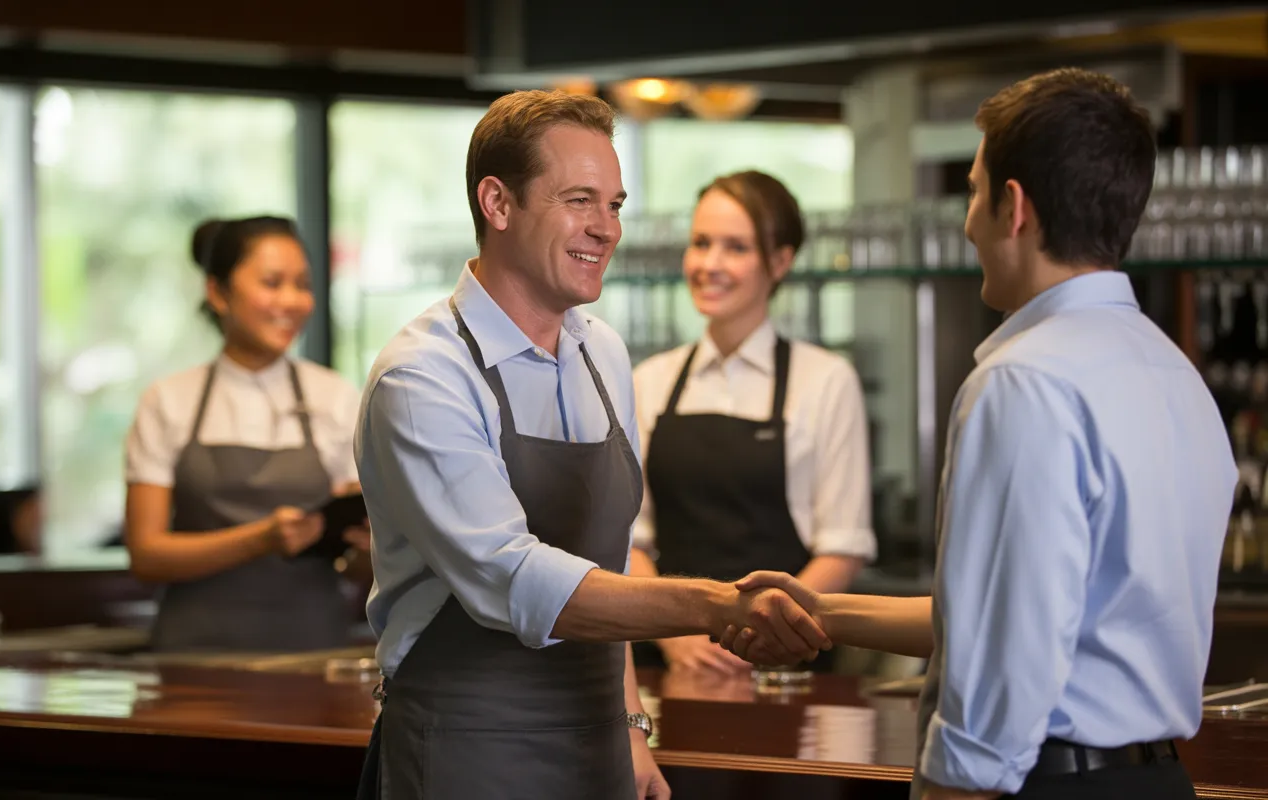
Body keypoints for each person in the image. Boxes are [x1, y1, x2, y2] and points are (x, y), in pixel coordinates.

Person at [720, 68, 1236, 800]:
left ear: (1013, 207)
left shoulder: (1023, 381)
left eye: (973, 190)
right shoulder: (1172, 371)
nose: (967, 220)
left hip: (1043, 783)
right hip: (1152, 780)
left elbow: (1002, 675)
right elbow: (1019, 610)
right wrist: (820, 610)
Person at [353, 89, 830, 800]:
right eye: (579, 199)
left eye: (614, 205)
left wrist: (632, 726)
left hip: (600, 745)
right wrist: (711, 604)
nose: (605, 229)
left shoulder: (602, 353)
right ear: (497, 202)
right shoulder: (422, 376)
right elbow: (512, 580)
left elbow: (606, 560)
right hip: (471, 748)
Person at [629, 170, 874, 676]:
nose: (709, 264)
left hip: (783, 665)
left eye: (735, 247)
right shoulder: (649, 381)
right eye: (701, 243)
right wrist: (675, 638)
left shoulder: (826, 380)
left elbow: (843, 549)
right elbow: (628, 538)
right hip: (669, 663)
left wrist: (757, 638)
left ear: (780, 261)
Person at [124, 216, 371, 653]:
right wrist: (260, 539)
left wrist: (368, 547)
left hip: (314, 657)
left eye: (302, 284)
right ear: (218, 293)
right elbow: (146, 555)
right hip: (193, 663)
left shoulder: (335, 397)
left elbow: (358, 565)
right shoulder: (168, 401)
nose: (293, 301)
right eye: (272, 283)